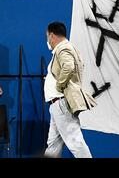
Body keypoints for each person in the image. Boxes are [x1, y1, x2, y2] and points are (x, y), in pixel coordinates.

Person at [44, 22, 92, 158]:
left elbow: (69, 67)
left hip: (61, 103)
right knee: (53, 146)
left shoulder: (62, 48)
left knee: (75, 142)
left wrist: (58, 85)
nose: (47, 40)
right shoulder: (68, 48)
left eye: (47, 36)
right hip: (57, 105)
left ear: (52, 35)